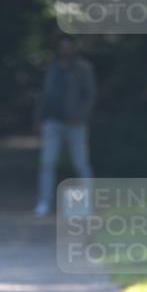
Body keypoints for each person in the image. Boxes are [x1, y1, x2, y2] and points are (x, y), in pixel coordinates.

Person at [33, 37, 96, 217]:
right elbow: (44, 95)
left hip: (75, 124)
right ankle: (44, 202)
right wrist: (39, 119)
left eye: (69, 47)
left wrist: (81, 116)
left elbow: (90, 96)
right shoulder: (52, 68)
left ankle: (87, 205)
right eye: (63, 47)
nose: (65, 50)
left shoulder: (83, 68)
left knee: (81, 163)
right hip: (52, 122)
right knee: (47, 162)